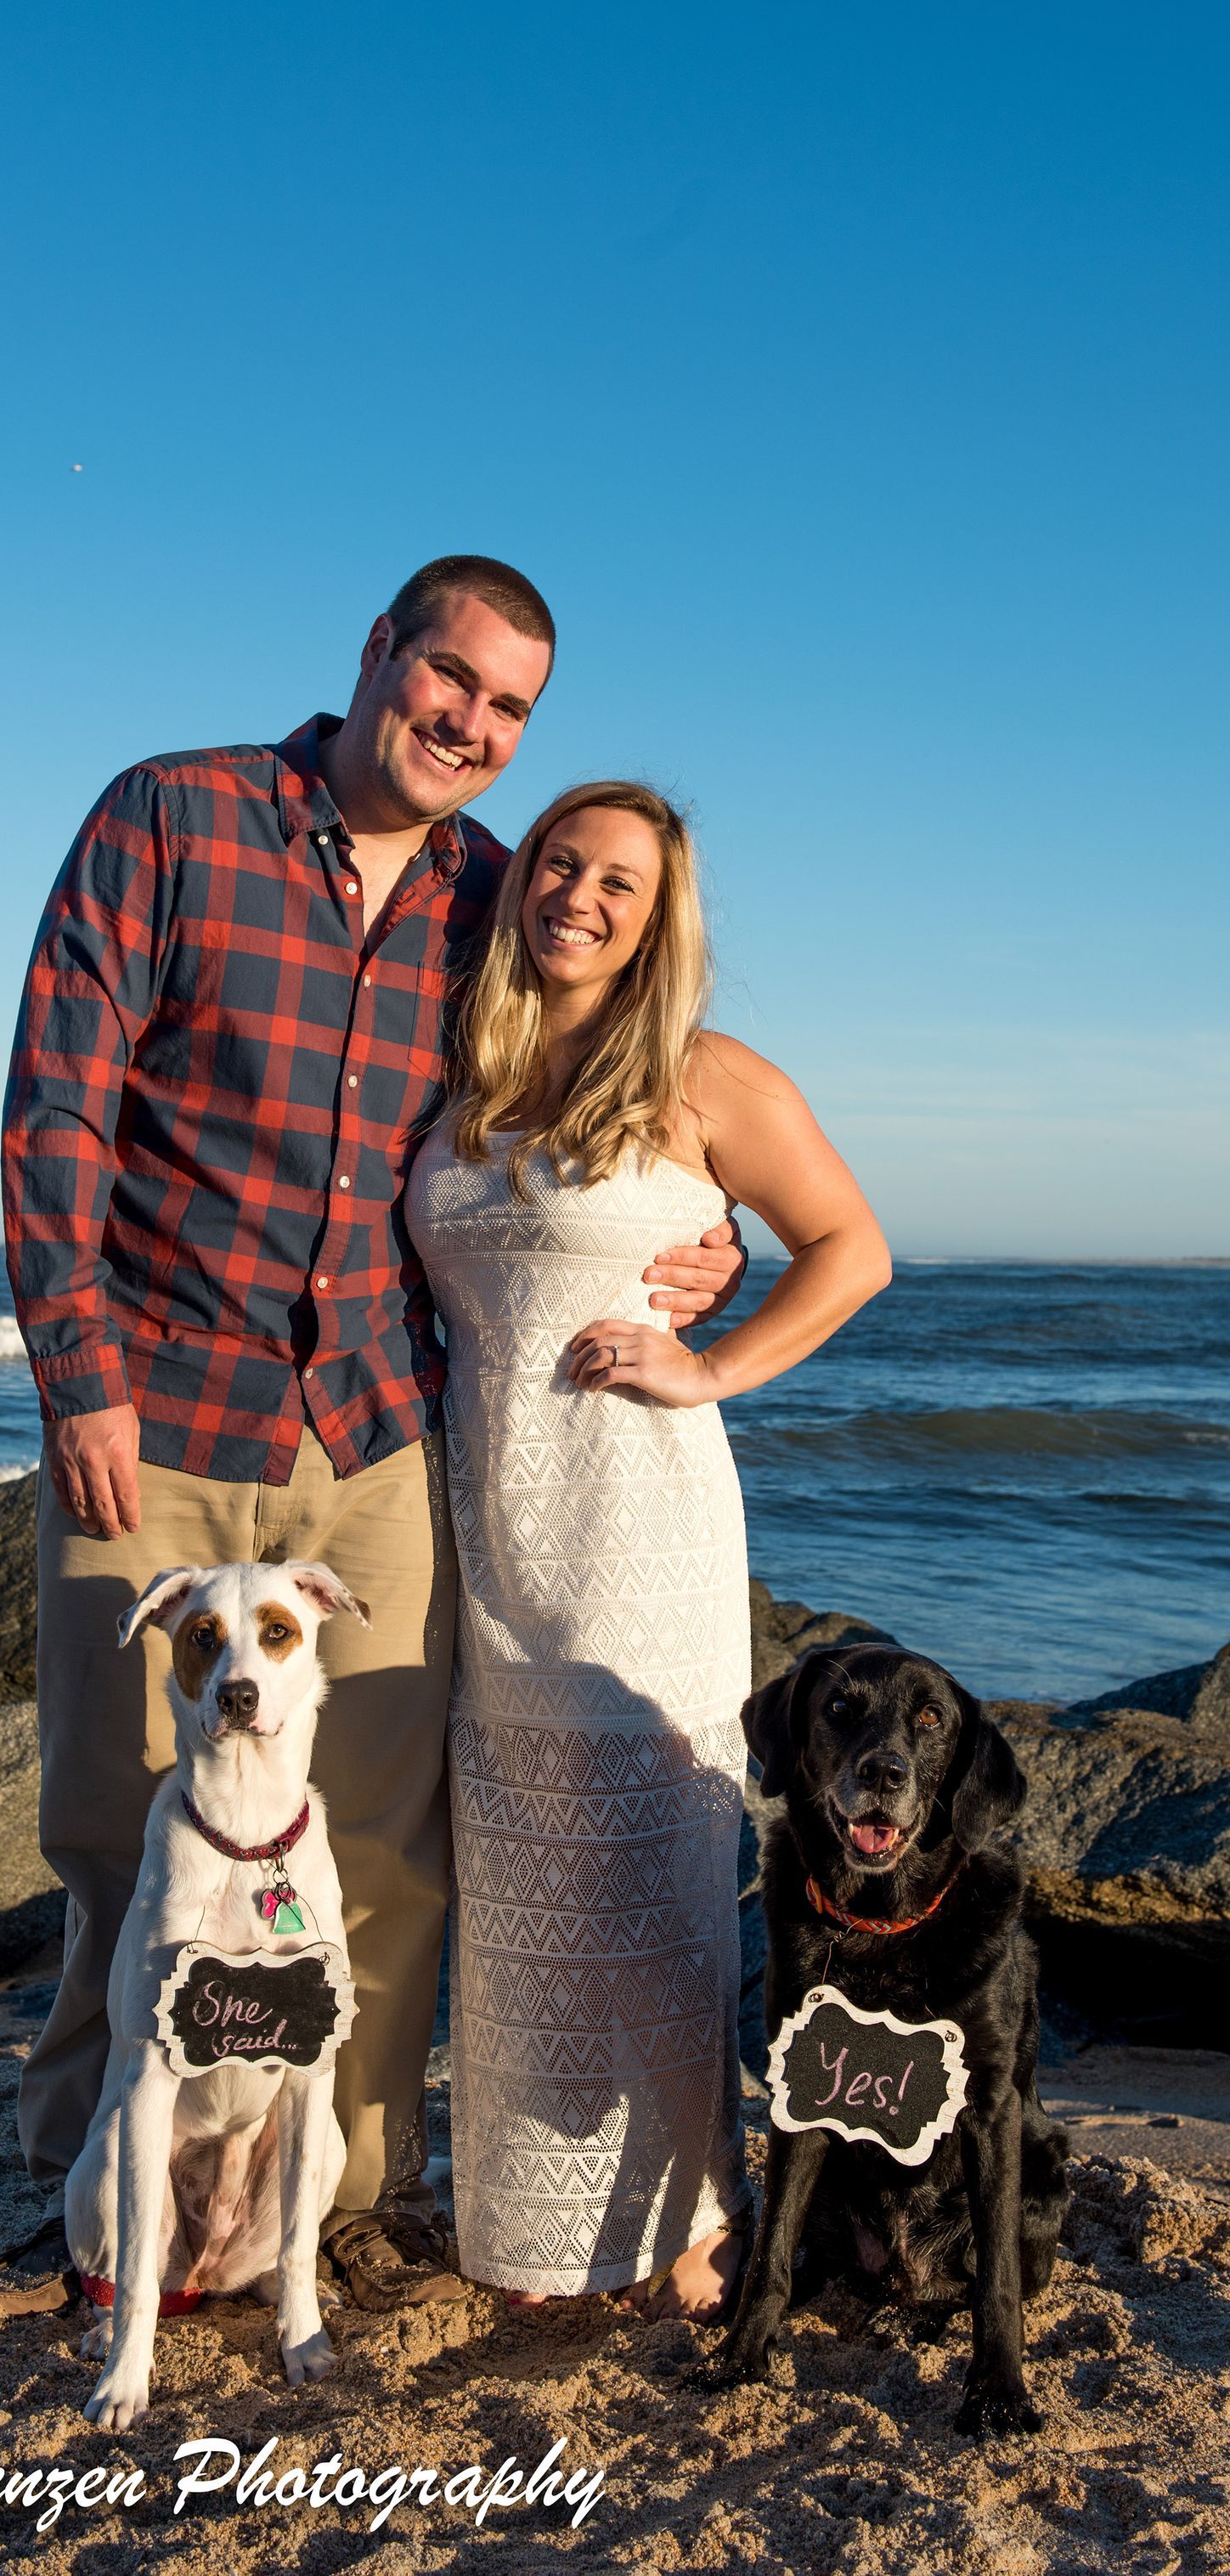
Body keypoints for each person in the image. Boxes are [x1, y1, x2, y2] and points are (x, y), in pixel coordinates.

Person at [0, 562, 748, 2318]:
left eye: (506, 710)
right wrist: (75, 1366)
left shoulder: (499, 893)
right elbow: (56, 1105)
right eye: (449, 678)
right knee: (121, 1811)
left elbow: (614, 1092)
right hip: (156, 1413)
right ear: (378, 654)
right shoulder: (168, 816)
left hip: (378, 1438)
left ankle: (330, 2193)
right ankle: (109, 2194)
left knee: (385, 1844)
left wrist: (711, 1242)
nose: (469, 725)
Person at [406, 780, 891, 2314]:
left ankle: (690, 2225)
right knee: (519, 1883)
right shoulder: (457, 1062)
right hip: (486, 1520)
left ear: (659, 915)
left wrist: (715, 1359)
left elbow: (856, 1248)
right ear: (522, 873)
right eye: (562, 861)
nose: (583, 895)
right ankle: (534, 2234)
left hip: (639, 1521)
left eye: (623, 881)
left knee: (650, 1889)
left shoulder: (699, 1074)